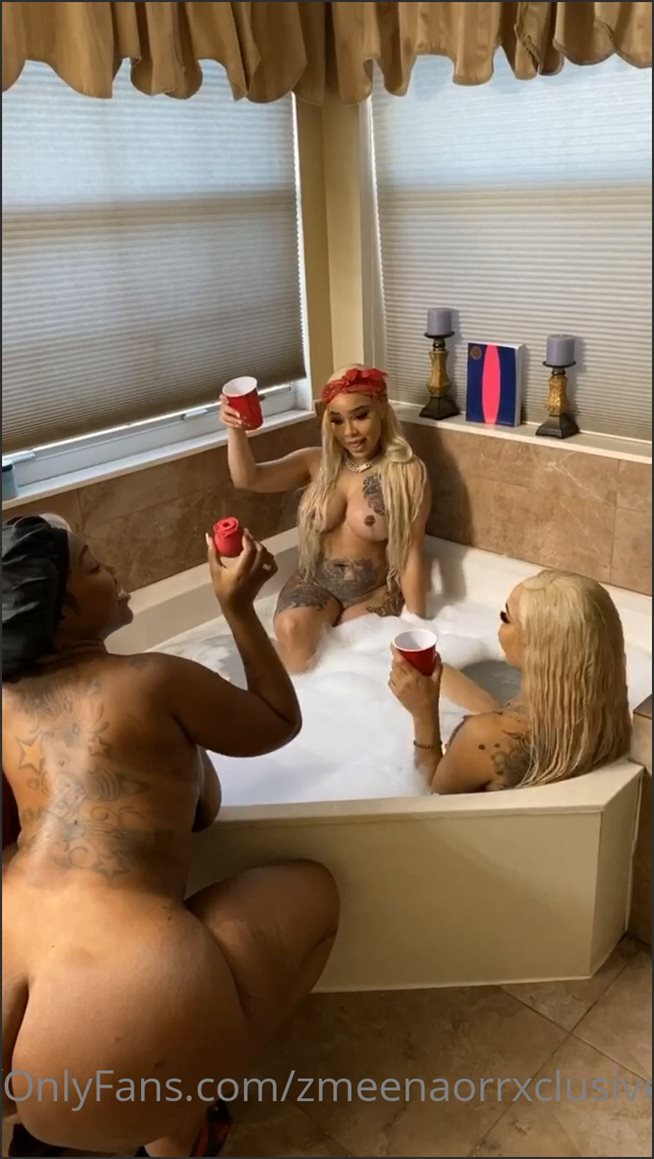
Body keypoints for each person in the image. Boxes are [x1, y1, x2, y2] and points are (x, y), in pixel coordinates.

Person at [1, 515, 339, 1158]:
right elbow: (276, 720)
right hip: (106, 1024)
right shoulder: (154, 677)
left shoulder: (6, 699)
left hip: (11, 945)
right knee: (314, 894)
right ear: (64, 611)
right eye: (95, 565)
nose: (114, 570)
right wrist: (237, 607)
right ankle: (180, 1120)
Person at [221, 365, 431, 673]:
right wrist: (235, 430)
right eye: (337, 420)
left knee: (355, 651)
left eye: (360, 416)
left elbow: (412, 552)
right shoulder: (315, 463)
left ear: (382, 409)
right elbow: (247, 479)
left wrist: (418, 624)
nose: (349, 432)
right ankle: (291, 700)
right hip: (315, 584)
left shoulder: (406, 473)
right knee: (292, 630)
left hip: (373, 591)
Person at [389, 569, 631, 794]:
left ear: (535, 647)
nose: (500, 626)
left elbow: (430, 797)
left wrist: (423, 714)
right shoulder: (606, 714)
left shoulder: (481, 740)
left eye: (506, 617)